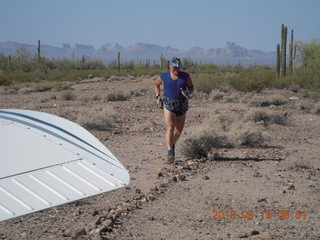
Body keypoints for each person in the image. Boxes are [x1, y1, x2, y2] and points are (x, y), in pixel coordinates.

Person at [153, 57, 194, 163]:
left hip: (182, 104)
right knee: (170, 127)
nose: (176, 69)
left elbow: (191, 88)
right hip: (168, 104)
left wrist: (187, 92)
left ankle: (172, 143)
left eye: (178, 67)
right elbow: (156, 84)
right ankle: (170, 152)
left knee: (179, 130)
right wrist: (158, 96)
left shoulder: (185, 76)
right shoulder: (163, 76)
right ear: (169, 66)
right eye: (174, 66)